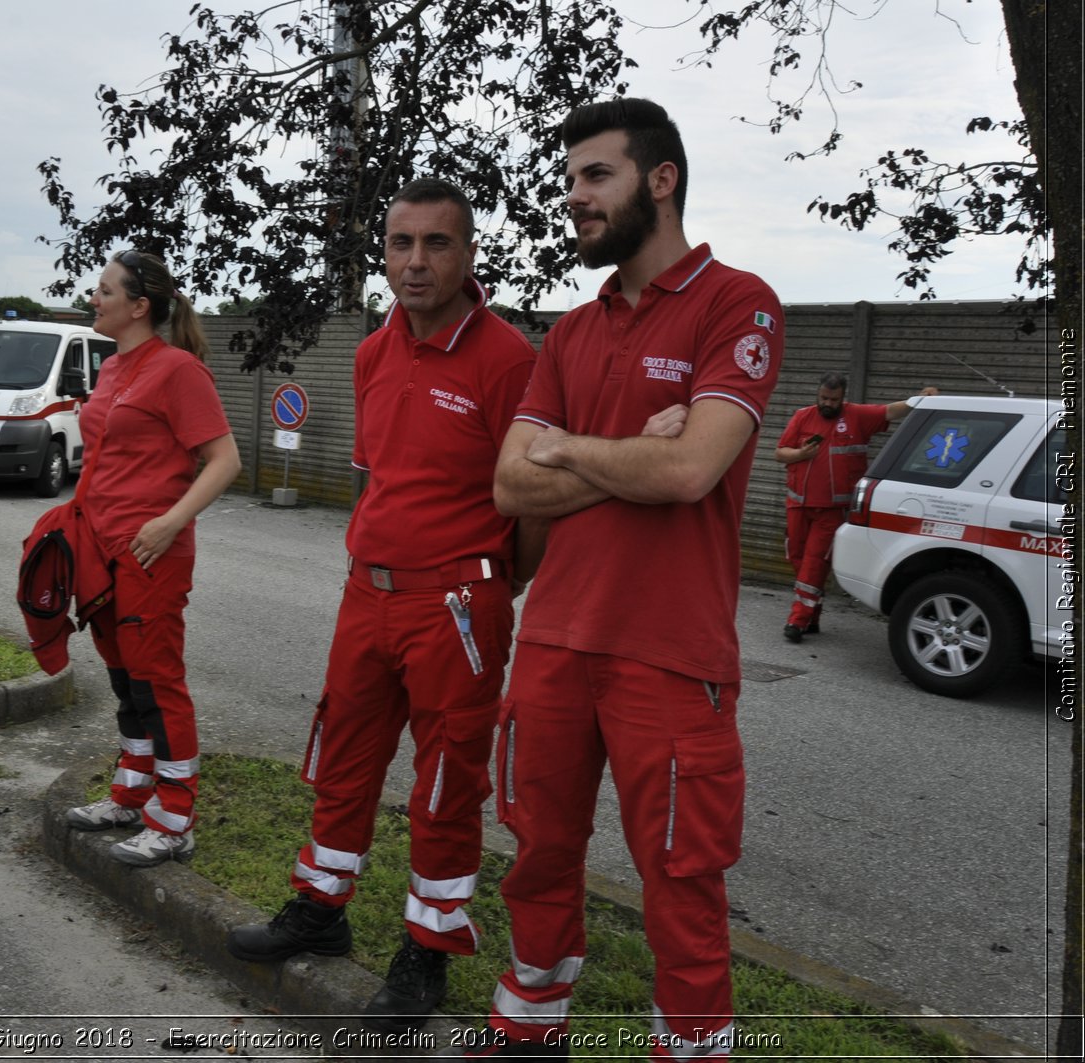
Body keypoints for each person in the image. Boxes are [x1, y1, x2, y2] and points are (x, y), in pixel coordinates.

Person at [482, 98, 784, 1059]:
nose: (574, 197)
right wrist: (611, 451)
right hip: (556, 639)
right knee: (537, 854)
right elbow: (509, 482)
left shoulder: (738, 303)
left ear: (661, 179)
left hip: (669, 652)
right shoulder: (572, 331)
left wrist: (568, 452)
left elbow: (690, 470)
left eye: (594, 176)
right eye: (571, 179)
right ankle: (529, 1030)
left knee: (681, 878)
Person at [223, 178, 540, 1032]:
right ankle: (320, 909)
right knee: (343, 751)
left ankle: (428, 949)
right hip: (369, 593)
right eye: (401, 244)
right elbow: (381, 478)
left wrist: (489, 585)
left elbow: (533, 503)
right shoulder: (373, 351)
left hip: (458, 605)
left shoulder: (509, 359)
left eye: (437, 243)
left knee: (445, 777)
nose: (415, 261)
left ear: (469, 254)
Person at [61, 249, 241, 868]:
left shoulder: (178, 370)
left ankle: (174, 819)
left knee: (157, 683)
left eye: (105, 290)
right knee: (123, 680)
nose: (94, 298)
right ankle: (131, 796)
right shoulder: (112, 369)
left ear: (139, 307)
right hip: (102, 553)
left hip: (151, 555)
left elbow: (224, 461)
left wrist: (170, 522)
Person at [774, 374, 938, 642]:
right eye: (823, 398)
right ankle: (811, 615)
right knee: (797, 559)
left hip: (832, 510)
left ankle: (797, 620)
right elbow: (780, 452)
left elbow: (890, 411)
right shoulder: (802, 416)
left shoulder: (857, 416)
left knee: (814, 563)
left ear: (843, 397)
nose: (827, 403)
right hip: (798, 505)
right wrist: (799, 455)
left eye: (833, 399)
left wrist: (920, 398)